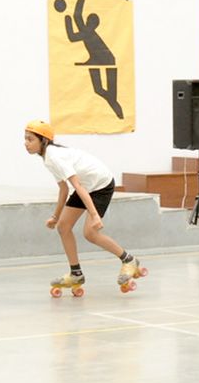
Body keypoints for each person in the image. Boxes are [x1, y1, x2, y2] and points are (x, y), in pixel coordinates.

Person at [24, 120, 145, 296]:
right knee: (63, 226)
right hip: (87, 186)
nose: (26, 143)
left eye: (30, 139)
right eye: (25, 139)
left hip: (101, 185)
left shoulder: (54, 156)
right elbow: (64, 189)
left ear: (44, 141)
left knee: (90, 233)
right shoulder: (47, 158)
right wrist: (55, 217)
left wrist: (94, 215)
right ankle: (76, 274)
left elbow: (77, 185)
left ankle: (129, 260)